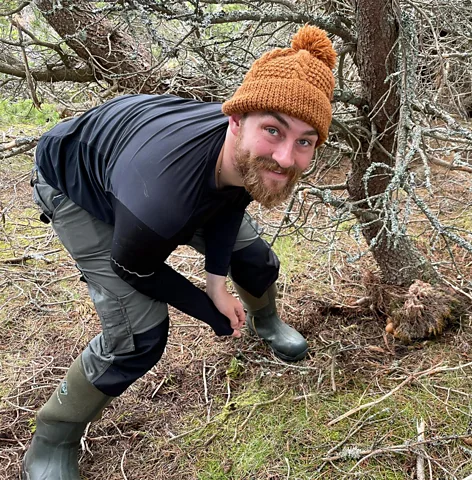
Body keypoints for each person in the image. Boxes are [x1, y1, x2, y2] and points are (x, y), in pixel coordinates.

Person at [22, 25, 336, 479]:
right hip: (74, 179)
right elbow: (135, 269)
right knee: (138, 337)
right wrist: (211, 311)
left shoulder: (248, 146)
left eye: (305, 141)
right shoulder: (164, 200)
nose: (286, 158)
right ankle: (52, 437)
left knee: (255, 259)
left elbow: (232, 201)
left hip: (135, 163)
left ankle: (265, 323)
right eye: (274, 131)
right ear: (236, 121)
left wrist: (216, 280)